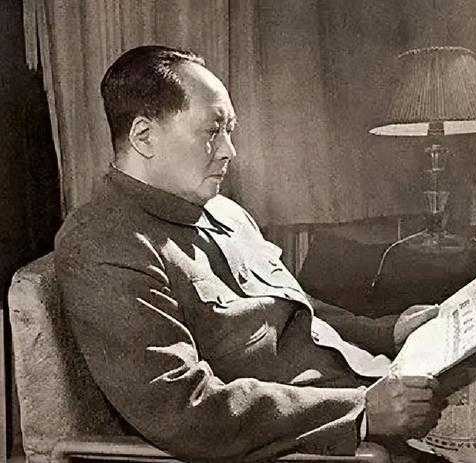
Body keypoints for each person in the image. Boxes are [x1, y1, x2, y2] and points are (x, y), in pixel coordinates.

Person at [55, 45, 444, 462]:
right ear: (144, 137)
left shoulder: (224, 211)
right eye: (212, 131)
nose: (229, 150)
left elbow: (293, 309)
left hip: (364, 384)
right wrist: (360, 412)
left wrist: (388, 331)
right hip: (318, 445)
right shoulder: (104, 243)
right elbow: (183, 409)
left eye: (230, 130)